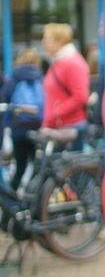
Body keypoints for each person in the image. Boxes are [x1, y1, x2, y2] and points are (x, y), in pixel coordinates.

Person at [2, 47, 46, 189]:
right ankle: (31, 193)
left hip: (18, 128)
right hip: (38, 126)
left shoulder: (14, 77)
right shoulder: (40, 76)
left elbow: (5, 98)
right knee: (38, 166)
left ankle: (13, 198)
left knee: (20, 167)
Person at [41, 23, 90, 146]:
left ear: (60, 41)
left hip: (70, 129)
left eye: (47, 38)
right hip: (59, 128)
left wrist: (56, 113)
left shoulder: (72, 63)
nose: (43, 42)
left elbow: (81, 96)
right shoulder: (57, 63)